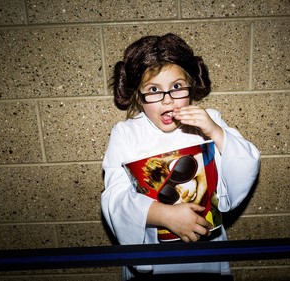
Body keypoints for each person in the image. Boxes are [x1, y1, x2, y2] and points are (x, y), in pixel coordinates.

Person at [101, 33, 260, 280]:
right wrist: (164, 215)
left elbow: (244, 168)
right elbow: (115, 198)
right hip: (153, 258)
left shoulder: (210, 120)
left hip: (205, 254)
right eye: (154, 90)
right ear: (137, 96)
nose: (168, 100)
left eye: (176, 87)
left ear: (190, 87)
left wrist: (215, 132)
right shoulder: (126, 134)